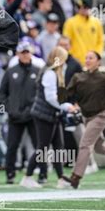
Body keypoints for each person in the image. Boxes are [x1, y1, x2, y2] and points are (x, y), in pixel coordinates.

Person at [62, 51, 105, 189]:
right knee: (99, 147)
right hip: (86, 117)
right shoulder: (78, 77)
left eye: (91, 58)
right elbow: (68, 93)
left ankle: (75, 177)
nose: (87, 60)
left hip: (100, 116)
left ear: (98, 61)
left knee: (85, 144)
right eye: (86, 57)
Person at [26, 46, 75, 189]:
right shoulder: (50, 73)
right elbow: (51, 98)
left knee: (58, 147)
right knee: (42, 148)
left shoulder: (54, 72)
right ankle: (27, 176)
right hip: (44, 115)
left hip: (53, 115)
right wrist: (66, 106)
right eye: (64, 59)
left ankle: (61, 178)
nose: (65, 63)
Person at [0, 40, 39, 184]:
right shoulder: (11, 71)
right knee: (12, 146)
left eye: (27, 52)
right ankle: (10, 174)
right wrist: (9, 108)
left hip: (32, 115)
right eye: (22, 53)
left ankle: (42, 172)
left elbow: (40, 93)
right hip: (15, 116)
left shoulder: (37, 71)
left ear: (31, 53)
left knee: (39, 145)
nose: (25, 55)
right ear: (18, 54)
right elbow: (2, 92)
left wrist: (33, 109)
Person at [63, 0, 104, 66]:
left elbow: (100, 41)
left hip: (92, 61)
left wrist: (96, 55)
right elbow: (66, 41)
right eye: (79, 7)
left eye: (84, 7)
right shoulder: (70, 22)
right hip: (76, 61)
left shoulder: (96, 22)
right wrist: (72, 57)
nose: (81, 9)